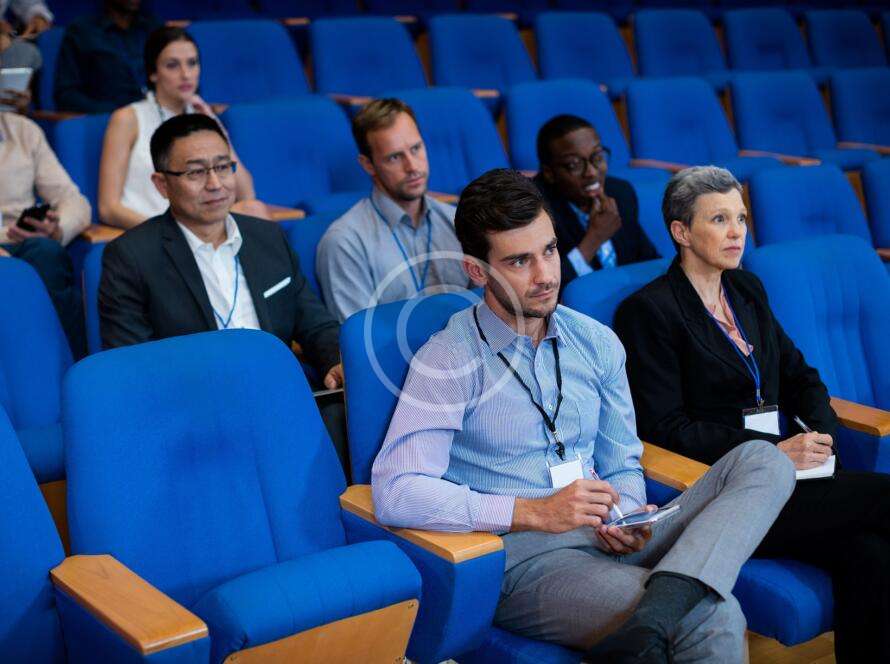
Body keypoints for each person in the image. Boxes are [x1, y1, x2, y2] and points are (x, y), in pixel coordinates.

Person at [372, 168, 796, 663]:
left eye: (550, 250)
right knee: (713, 617)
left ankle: (661, 607)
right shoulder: (447, 358)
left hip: (611, 534)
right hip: (530, 558)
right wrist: (531, 511)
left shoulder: (595, 342)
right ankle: (670, 608)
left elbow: (622, 462)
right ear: (477, 271)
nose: (545, 276)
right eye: (519, 261)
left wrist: (629, 514)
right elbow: (396, 490)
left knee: (765, 461)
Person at [613, 165, 890, 662]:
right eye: (719, 219)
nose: (737, 231)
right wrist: (773, 452)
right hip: (730, 493)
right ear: (681, 232)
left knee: (870, 554)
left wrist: (822, 438)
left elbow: (802, 376)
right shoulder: (649, 312)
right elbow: (666, 428)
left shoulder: (746, 290)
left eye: (740, 217)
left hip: (798, 474)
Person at [98, 114, 347, 460]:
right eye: (196, 172)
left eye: (223, 167)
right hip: (199, 417)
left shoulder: (267, 237)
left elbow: (314, 322)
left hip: (280, 400)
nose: (215, 183)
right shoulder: (130, 258)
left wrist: (335, 359)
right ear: (162, 184)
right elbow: (133, 366)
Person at [316, 98, 467, 322]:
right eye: (395, 157)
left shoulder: (457, 221)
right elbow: (361, 337)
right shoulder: (345, 242)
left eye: (416, 148)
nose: (412, 166)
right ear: (368, 164)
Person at [98, 26, 260, 230]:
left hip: (199, 227)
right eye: (172, 65)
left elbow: (246, 194)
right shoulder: (128, 118)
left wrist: (215, 126)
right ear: (153, 73)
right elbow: (108, 207)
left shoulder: (202, 116)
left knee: (253, 209)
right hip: (154, 231)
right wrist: (170, 233)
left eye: (192, 63)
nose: (186, 74)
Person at [0, 110, 90, 356]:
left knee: (47, 252)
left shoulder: (24, 131)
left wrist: (57, 230)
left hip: (23, 242)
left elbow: (73, 200)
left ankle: (71, 363)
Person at [534, 114, 658, 287]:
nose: (591, 172)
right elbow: (545, 286)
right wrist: (594, 239)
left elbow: (650, 263)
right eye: (574, 165)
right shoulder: (535, 212)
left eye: (598, 157)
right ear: (549, 173)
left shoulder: (620, 193)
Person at [54, 0, 161, 113]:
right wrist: (114, 113)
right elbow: (67, 95)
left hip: (155, 113)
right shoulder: (82, 32)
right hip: (107, 117)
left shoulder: (153, 27)